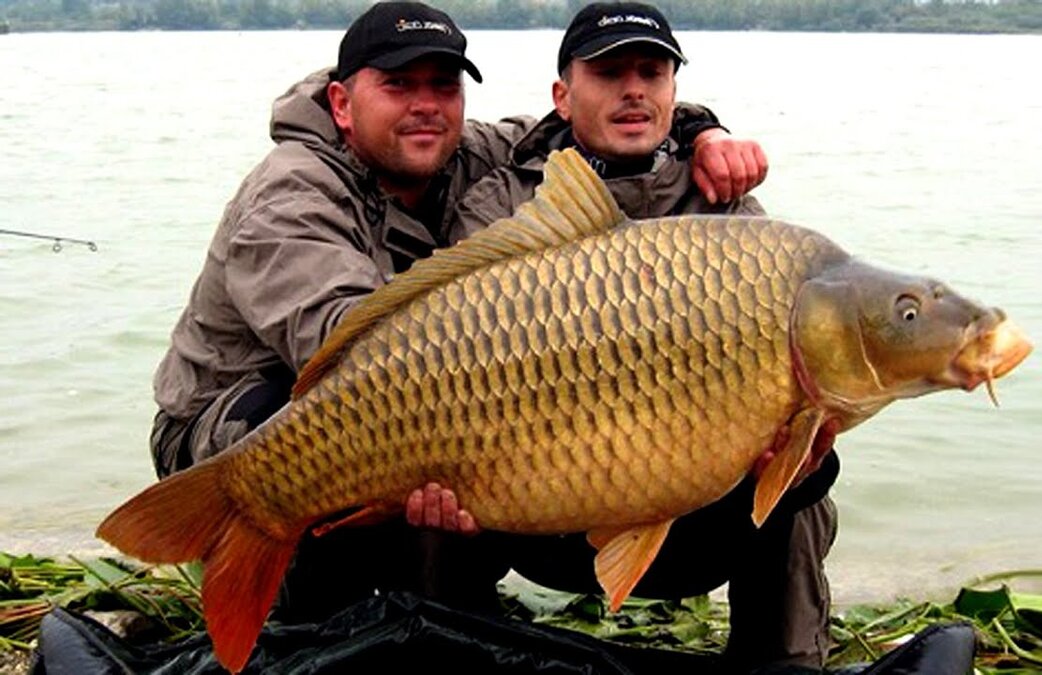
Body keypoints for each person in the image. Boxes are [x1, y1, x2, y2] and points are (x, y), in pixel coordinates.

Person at [148, 0, 767, 637]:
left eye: (443, 86)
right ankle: (317, 628)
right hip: (235, 424)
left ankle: (448, 628)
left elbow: (602, 117)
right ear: (341, 103)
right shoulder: (289, 196)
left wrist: (703, 135)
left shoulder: (456, 151)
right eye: (397, 84)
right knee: (342, 430)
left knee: (451, 442)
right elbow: (347, 346)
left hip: (393, 398)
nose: (425, 105)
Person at [409, 3, 840, 672]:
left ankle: (785, 661)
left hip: (692, 517)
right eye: (608, 73)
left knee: (807, 476)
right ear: (561, 96)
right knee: (436, 465)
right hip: (536, 511)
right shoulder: (498, 205)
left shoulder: (728, 213)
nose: (633, 89)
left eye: (651, 72)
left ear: (674, 91)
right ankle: (449, 653)